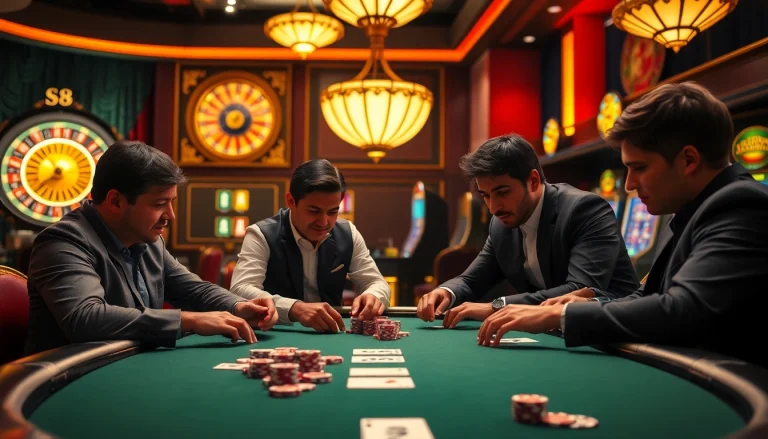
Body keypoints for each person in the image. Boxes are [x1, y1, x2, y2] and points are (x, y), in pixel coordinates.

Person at [476, 82, 768, 366]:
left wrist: (561, 316)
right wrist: (587, 304)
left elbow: (683, 309)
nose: (629, 184)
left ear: (689, 160)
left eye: (639, 167)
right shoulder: (695, 208)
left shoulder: (739, 204)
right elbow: (649, 296)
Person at [24, 141, 276, 356]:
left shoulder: (149, 240)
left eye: (171, 203)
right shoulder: (62, 241)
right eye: (159, 204)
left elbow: (193, 290)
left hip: (127, 368)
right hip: (67, 381)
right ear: (115, 201)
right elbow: (86, 318)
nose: (171, 216)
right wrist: (188, 320)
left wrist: (239, 306)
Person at [417, 134, 638, 326]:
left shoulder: (584, 209)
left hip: (615, 338)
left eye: (502, 192)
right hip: (555, 333)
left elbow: (581, 289)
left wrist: (497, 306)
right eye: (485, 195)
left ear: (533, 181)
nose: (493, 207)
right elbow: (471, 280)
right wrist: (446, 291)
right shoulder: (501, 223)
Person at [230, 159, 390, 333]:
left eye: (333, 211)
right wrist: (295, 308)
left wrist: (373, 295)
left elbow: (376, 282)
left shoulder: (348, 233)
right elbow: (241, 289)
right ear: (291, 201)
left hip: (333, 334)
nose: (324, 222)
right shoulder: (261, 234)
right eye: (314, 211)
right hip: (277, 333)